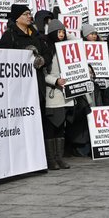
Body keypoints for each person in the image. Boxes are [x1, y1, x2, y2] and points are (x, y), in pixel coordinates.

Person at [40, 17, 72, 169]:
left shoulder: (67, 49)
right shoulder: (48, 50)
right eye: (58, 31)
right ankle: (50, 159)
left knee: (61, 127)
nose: (62, 34)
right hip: (52, 94)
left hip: (65, 95)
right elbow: (44, 73)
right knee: (51, 127)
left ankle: (59, 158)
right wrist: (56, 81)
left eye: (63, 31)